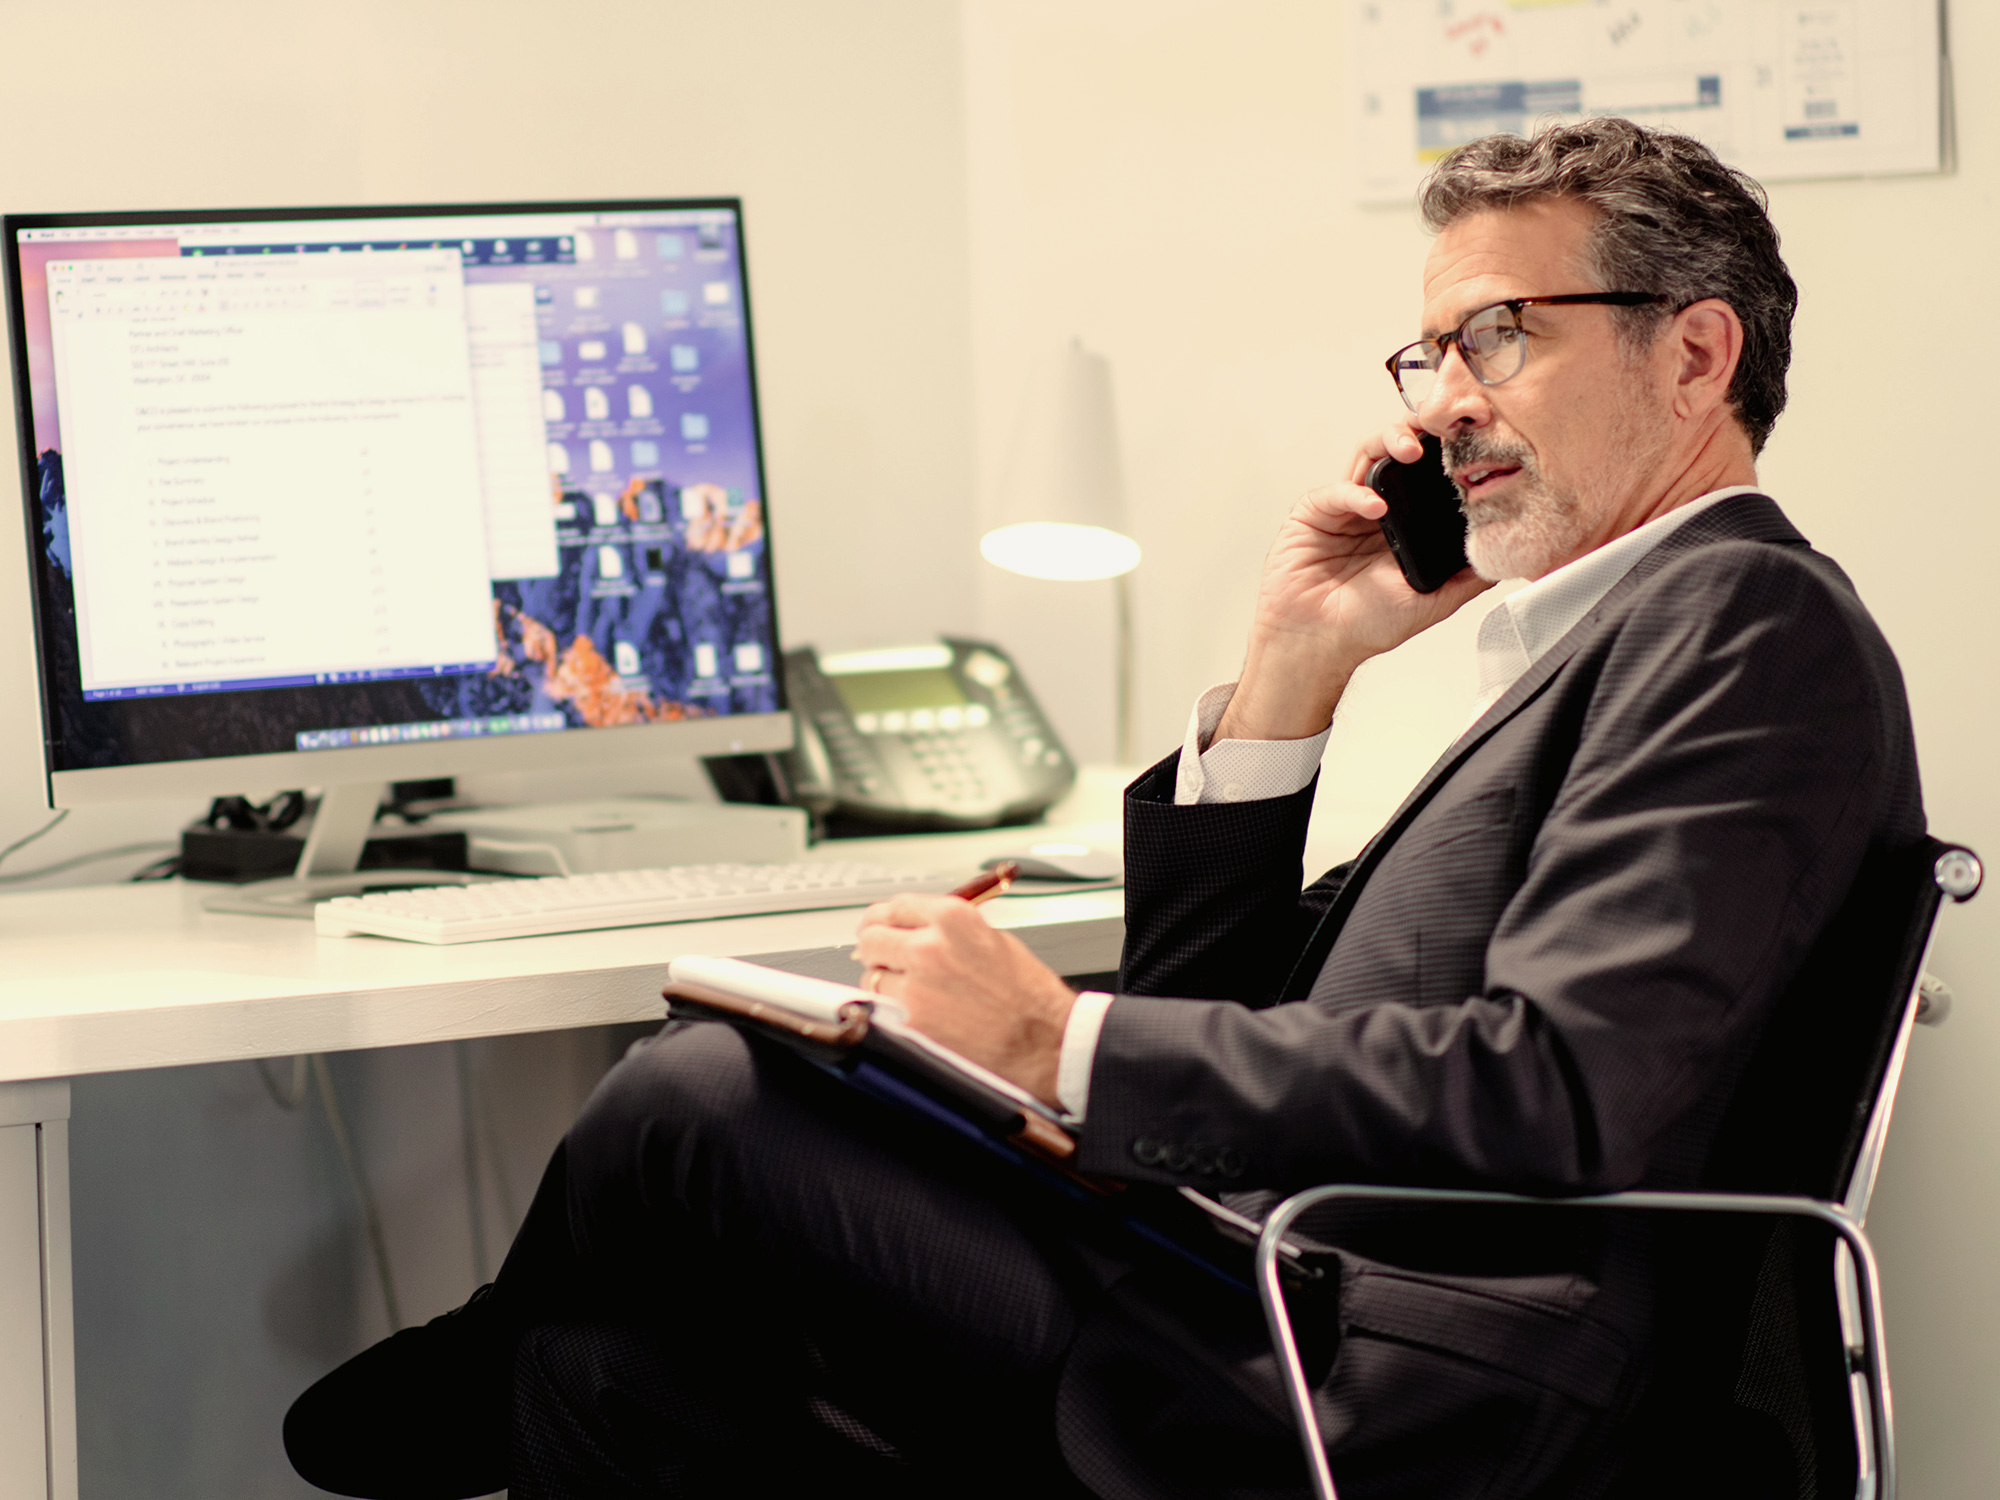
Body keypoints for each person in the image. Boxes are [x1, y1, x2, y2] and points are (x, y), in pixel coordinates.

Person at [284, 117, 1922, 1500]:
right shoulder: (1613, 635)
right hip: (1291, 1291)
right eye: (1432, 353)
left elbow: (1566, 1089)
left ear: (1696, 351)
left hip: (1403, 1391)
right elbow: (1236, 1008)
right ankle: (514, 1359)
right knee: (610, 1376)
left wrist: (1048, 1047)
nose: (1442, 406)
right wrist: (1293, 674)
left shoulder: (1745, 624)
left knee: (700, 1096)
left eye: (1502, 334)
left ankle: (474, 1356)